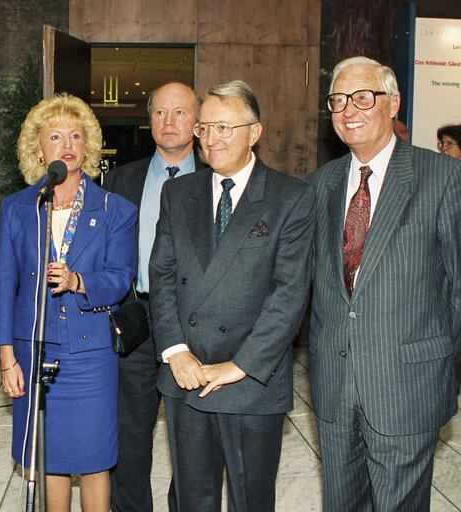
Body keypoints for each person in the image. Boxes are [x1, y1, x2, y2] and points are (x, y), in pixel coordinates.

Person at [306, 56, 461, 510]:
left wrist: (433, 355)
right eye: (338, 100)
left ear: (393, 103)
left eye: (363, 97)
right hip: (334, 386)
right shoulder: (319, 185)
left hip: (407, 385)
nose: (349, 109)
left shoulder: (443, 177)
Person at [149, 80, 315, 512]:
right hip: (188, 375)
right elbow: (161, 275)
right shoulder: (178, 193)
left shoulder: (290, 198)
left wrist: (240, 365)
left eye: (224, 127)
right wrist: (174, 349)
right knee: (192, 498)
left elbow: (290, 294)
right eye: (205, 128)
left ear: (254, 132)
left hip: (251, 379)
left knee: (251, 498)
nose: (211, 138)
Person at [0, 93, 136, 512]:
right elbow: (4, 286)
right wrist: (6, 356)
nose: (67, 143)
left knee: (93, 460)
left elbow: (120, 278)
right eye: (55, 136)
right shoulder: (19, 208)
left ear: (88, 147)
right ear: (39, 150)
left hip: (90, 355)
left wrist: (78, 280)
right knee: (48, 456)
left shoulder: (114, 209)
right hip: (32, 350)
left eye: (76, 135)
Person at [102, 81, 207, 512]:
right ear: (149, 120)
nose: (170, 122)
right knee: (130, 434)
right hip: (137, 319)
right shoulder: (119, 179)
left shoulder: (217, 179)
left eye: (181, 113)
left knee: (192, 438)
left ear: (198, 123)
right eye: (161, 112)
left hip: (195, 322)